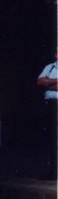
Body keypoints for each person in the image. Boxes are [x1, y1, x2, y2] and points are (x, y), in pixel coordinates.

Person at [37, 51, 58, 180]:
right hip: (51, 106)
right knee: (52, 139)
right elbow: (40, 82)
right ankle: (55, 170)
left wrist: (49, 83)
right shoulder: (49, 67)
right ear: (56, 55)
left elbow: (45, 83)